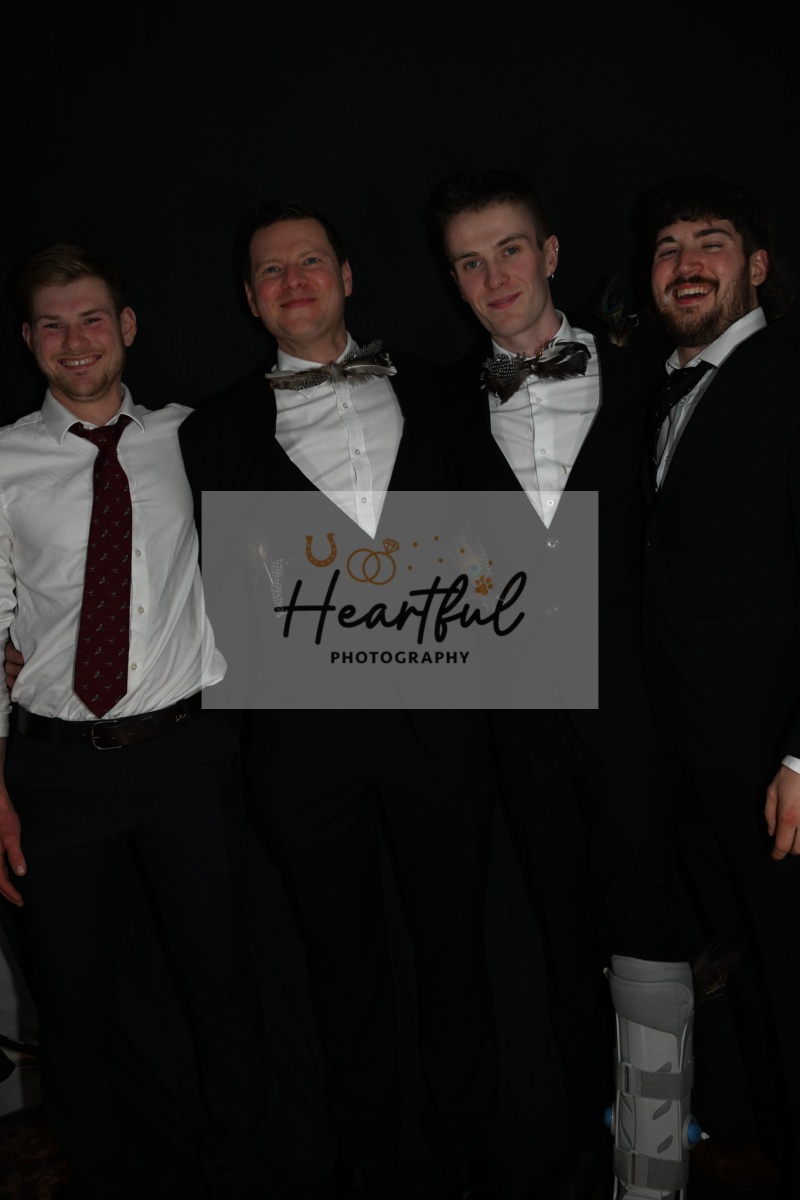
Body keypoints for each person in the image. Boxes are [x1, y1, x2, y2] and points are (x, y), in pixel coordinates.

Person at [177, 200, 502, 1200]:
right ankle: (367, 1157)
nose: (294, 281)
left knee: (454, 950)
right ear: (250, 299)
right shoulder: (211, 431)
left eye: (310, 261)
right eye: (271, 271)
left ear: (347, 276)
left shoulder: (442, 390)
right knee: (340, 966)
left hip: (441, 731)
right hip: (302, 750)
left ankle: (468, 1150)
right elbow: (184, 581)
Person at [433, 170, 695, 1200]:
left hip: (637, 707)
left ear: (546, 254)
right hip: (518, 719)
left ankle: (656, 1159)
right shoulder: (439, 406)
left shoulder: (647, 374)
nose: (493, 276)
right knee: (557, 928)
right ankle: (594, 1136)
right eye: (468, 262)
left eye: (508, 249)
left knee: (650, 923)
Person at [0, 243, 274, 1200]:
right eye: (52, 325)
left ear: (126, 327)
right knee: (74, 1013)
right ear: (29, 339)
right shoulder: (2, 463)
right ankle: (102, 1181)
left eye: (91, 319)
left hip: (186, 758)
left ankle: (239, 1176)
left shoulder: (193, 438)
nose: (74, 341)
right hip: (54, 773)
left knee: (223, 990)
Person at [640, 173, 800, 1194]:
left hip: (776, 763)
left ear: (757, 266)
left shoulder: (789, 374)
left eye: (710, 242)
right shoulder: (659, 389)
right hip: (696, 761)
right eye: (667, 247)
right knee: (751, 974)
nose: (686, 263)